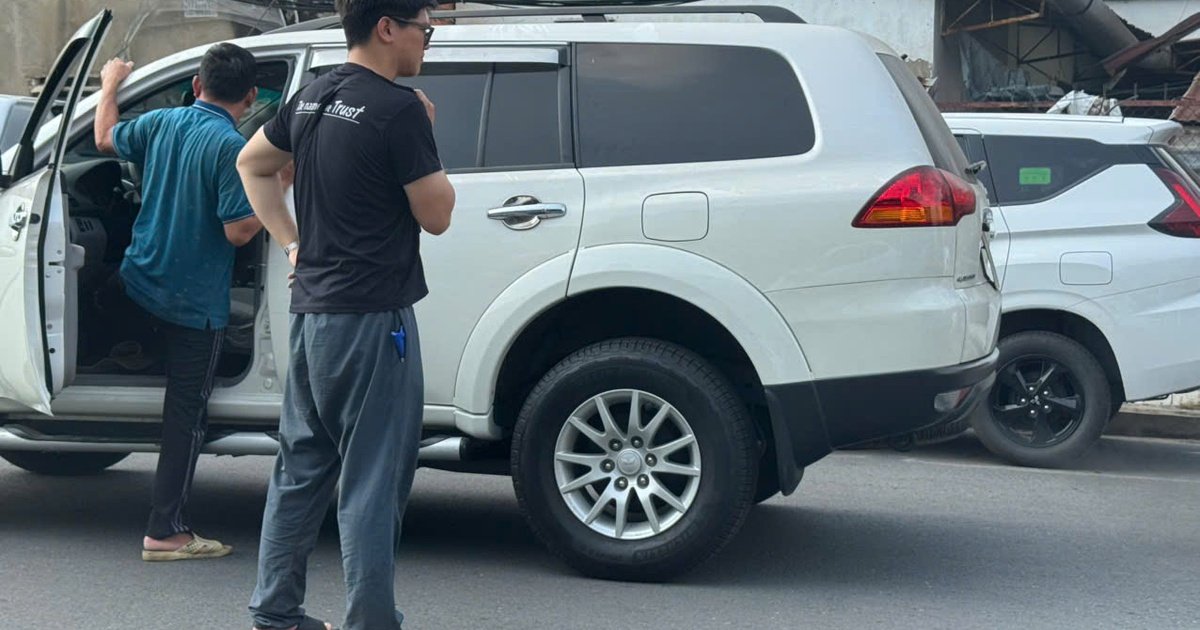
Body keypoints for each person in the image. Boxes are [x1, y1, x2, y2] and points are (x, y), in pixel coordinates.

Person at [236, 0, 454, 627]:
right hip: (372, 318)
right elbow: (437, 215)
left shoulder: (310, 96)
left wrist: (292, 243)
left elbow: (252, 163)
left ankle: (276, 612)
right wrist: (427, 131)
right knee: (373, 479)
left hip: (313, 311)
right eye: (425, 29)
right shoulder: (398, 110)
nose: (428, 40)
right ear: (387, 28)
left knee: (301, 467)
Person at [94, 43, 264, 562]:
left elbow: (103, 137)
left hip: (137, 286)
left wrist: (109, 83)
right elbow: (239, 232)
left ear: (196, 85)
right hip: (194, 309)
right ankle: (165, 531)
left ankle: (129, 352)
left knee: (99, 295)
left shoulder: (161, 122)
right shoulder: (231, 148)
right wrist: (275, 186)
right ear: (251, 96)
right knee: (185, 418)